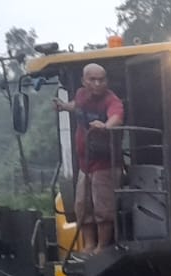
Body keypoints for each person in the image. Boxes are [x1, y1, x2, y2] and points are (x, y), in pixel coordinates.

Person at [54, 63, 125, 255]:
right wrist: (63, 107)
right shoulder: (81, 95)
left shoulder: (111, 100)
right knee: (82, 205)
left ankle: (102, 246)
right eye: (92, 80)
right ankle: (89, 245)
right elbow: (76, 106)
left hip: (105, 163)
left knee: (103, 207)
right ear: (83, 81)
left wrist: (105, 126)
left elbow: (117, 116)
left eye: (101, 80)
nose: (97, 83)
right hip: (86, 164)